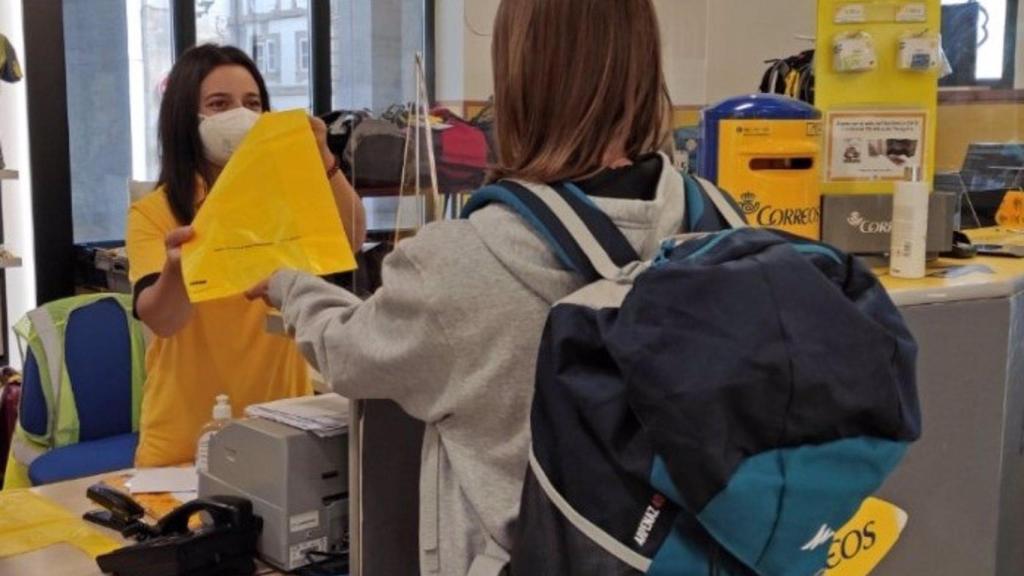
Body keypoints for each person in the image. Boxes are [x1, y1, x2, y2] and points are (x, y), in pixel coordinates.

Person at [248, 1, 687, 574]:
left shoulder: (462, 262)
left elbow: (344, 351)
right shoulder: (720, 232)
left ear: (517, 74)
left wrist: (291, 287)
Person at [127, 44, 366, 467]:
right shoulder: (155, 212)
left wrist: (324, 158)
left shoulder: (283, 201)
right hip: (185, 443)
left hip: (282, 429)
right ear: (187, 118)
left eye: (253, 104)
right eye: (219, 104)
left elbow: (347, 240)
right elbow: (162, 319)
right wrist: (179, 268)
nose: (240, 115)